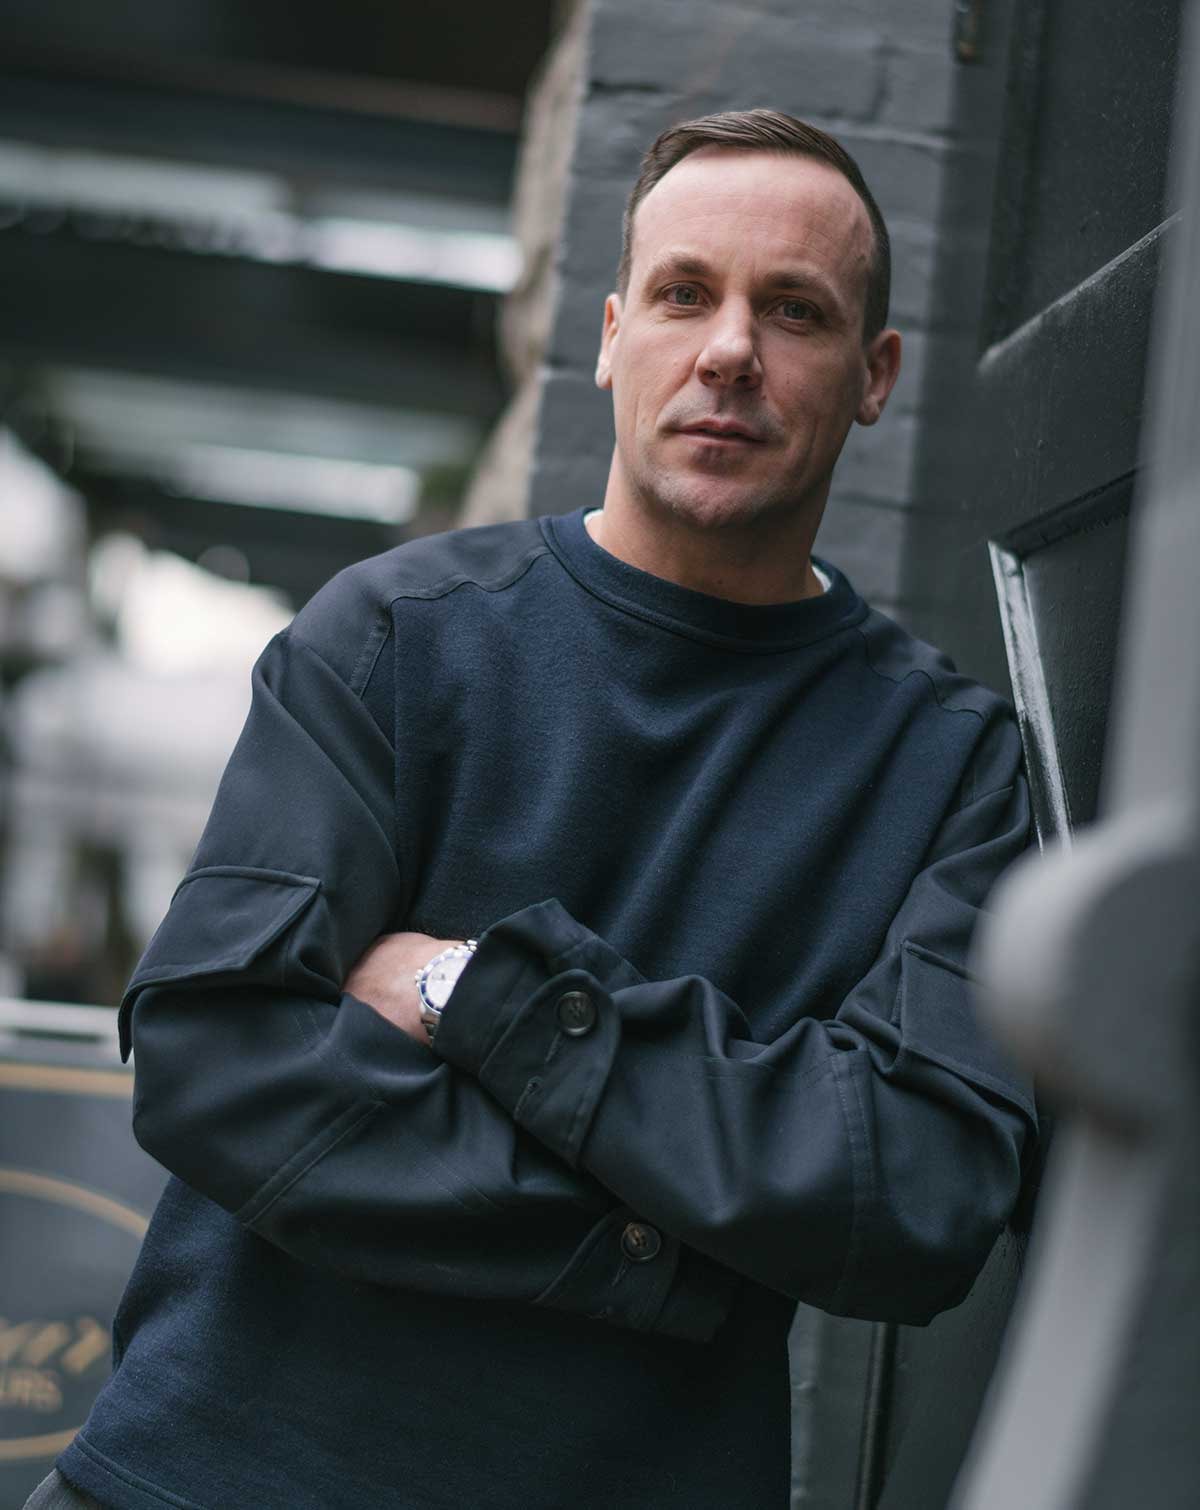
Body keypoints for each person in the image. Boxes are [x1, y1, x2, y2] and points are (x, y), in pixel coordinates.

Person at [41, 110, 1035, 1510]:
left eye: (793, 309)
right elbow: (218, 1058)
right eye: (685, 293)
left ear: (874, 378)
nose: (730, 349)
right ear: (614, 336)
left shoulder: (948, 765)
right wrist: (659, 1239)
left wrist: (473, 992)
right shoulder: (398, 636)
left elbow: (915, 1198)